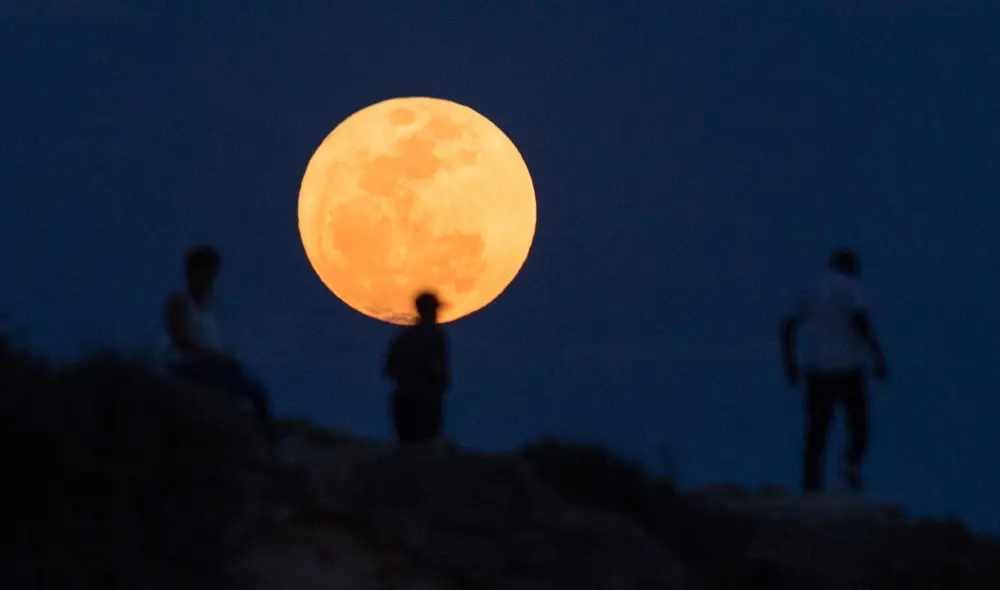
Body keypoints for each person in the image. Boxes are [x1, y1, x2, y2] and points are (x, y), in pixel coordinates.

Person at [781, 249, 888, 493]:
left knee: (816, 431)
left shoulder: (810, 288)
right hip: (848, 368)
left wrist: (789, 362)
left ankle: (811, 486)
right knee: (859, 425)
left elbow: (787, 325)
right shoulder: (852, 287)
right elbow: (860, 320)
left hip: (817, 369)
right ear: (852, 267)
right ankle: (851, 462)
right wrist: (877, 356)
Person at [162, 245, 277, 444]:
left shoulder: (210, 308)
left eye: (212, 275)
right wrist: (215, 356)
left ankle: (265, 437)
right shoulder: (180, 303)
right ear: (192, 273)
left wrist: (223, 356)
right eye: (205, 274)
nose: (209, 280)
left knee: (253, 390)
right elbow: (181, 340)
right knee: (231, 389)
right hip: (185, 365)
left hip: (210, 363)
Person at [383, 291, 451, 444]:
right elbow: (438, 368)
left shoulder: (403, 338)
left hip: (402, 399)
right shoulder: (435, 336)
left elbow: (388, 369)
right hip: (425, 400)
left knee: (407, 448)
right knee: (425, 449)